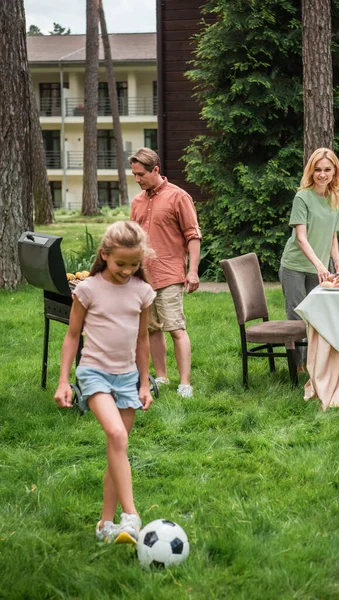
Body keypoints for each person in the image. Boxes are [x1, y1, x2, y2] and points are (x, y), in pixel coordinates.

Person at [54, 221, 156, 544]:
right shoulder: (88, 290)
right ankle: (132, 514)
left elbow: (142, 341)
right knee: (115, 434)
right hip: (93, 372)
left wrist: (143, 383)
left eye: (134, 264)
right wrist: (62, 381)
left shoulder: (142, 292)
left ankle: (105, 524)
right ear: (104, 255)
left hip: (127, 377)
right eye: (120, 263)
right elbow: (72, 336)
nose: (127, 270)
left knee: (118, 448)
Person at [129, 147, 202, 399]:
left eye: (141, 175)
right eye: (134, 175)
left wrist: (192, 271)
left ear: (156, 170)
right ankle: (161, 377)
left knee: (175, 328)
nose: (137, 180)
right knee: (151, 329)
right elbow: (133, 239)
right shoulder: (137, 201)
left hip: (170, 274)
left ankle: (185, 384)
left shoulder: (178, 197)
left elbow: (193, 235)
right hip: (143, 277)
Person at [279, 147, 339, 369]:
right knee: (297, 316)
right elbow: (301, 238)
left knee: (317, 315)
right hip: (296, 266)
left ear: (334, 171)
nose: (322, 174)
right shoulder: (303, 197)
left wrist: (336, 261)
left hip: (321, 268)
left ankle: (314, 365)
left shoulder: (336, 197)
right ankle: (297, 368)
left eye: (327, 169)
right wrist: (319, 263)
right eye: (317, 169)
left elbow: (332, 236)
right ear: (311, 171)